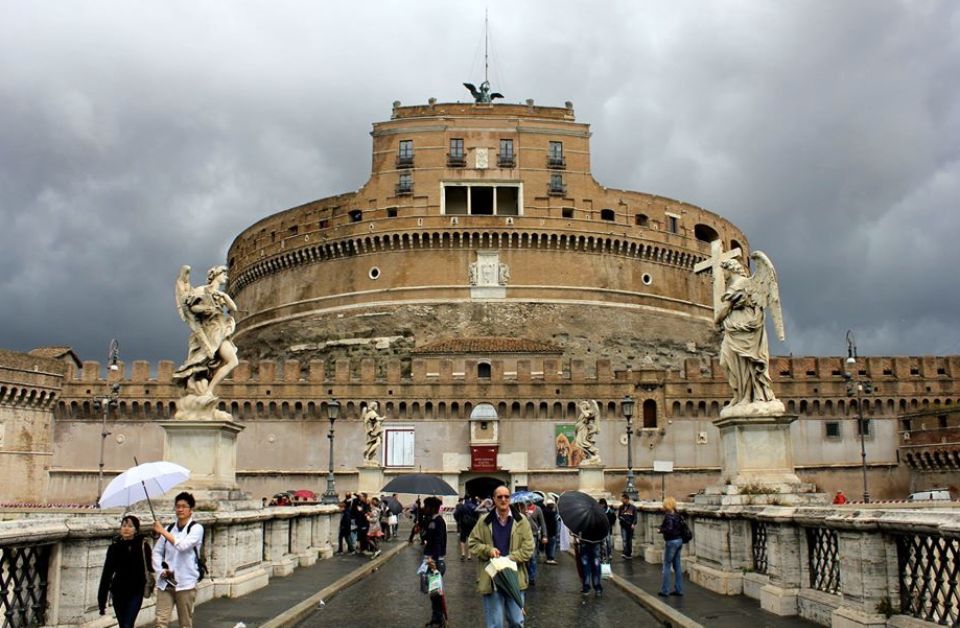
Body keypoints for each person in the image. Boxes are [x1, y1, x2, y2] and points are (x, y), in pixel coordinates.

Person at [468, 485, 534, 628]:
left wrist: (510, 558)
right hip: (492, 578)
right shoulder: (484, 521)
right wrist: (488, 550)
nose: (503, 499)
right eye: (499, 497)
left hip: (515, 577)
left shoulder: (521, 521)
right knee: (495, 624)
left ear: (510, 499)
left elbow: (528, 548)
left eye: (506, 496)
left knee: (517, 621)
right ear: (493, 499)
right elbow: (472, 543)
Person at [152, 492, 204, 628]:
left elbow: (183, 546)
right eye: (177, 506)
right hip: (166, 582)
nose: (180, 510)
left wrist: (162, 531)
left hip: (186, 582)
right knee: (160, 621)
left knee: (185, 623)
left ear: (190, 510)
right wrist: (160, 570)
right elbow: (156, 552)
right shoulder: (170, 528)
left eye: (183, 506)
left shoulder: (196, 529)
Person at [98, 515, 153, 628]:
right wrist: (102, 600)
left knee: (127, 624)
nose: (126, 528)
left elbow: (152, 565)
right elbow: (107, 573)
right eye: (124, 526)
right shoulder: (114, 548)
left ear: (136, 529)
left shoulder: (143, 545)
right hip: (118, 592)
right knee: (123, 625)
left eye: (130, 526)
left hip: (136, 592)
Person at [421, 496, 447, 627]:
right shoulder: (430, 520)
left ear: (431, 507)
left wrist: (434, 561)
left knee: (436, 593)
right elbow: (425, 536)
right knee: (432, 593)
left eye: (426, 506)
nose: (424, 509)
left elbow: (438, 542)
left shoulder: (439, 521)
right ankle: (435, 617)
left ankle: (439, 619)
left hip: (435, 561)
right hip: (429, 559)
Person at [658, 496, 684, 597]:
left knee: (667, 566)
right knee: (677, 566)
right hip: (679, 540)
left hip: (671, 541)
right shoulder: (678, 514)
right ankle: (679, 589)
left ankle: (665, 591)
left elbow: (669, 528)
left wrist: (660, 530)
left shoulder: (668, 515)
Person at [523, 500, 547, 586]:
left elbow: (542, 523)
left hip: (533, 535)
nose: (528, 501)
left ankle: (532, 577)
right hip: (523, 535)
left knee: (532, 557)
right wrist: (524, 515)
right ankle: (527, 574)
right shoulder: (521, 508)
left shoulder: (538, 509)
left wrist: (544, 535)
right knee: (525, 557)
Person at [617, 492, 638, 559]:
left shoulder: (633, 508)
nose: (622, 500)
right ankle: (625, 552)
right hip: (623, 525)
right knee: (624, 539)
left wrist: (633, 524)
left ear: (627, 499)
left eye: (623, 499)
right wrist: (621, 518)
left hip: (630, 526)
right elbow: (619, 515)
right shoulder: (621, 507)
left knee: (629, 540)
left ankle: (629, 553)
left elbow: (635, 517)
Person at [542, 499, 559, 565]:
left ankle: (548, 557)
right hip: (552, 532)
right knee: (552, 545)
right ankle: (551, 558)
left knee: (547, 545)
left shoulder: (543, 511)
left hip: (545, 532)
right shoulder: (552, 513)